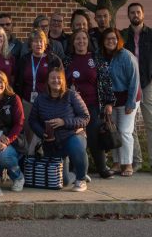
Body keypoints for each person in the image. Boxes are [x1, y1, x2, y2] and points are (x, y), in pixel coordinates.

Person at [63, 29, 115, 179]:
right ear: (73, 42)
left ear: (88, 41)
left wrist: (108, 103)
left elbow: (106, 82)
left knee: (94, 137)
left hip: (93, 105)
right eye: (77, 39)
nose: (81, 42)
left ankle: (102, 167)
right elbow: (62, 83)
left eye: (84, 39)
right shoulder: (67, 60)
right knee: (74, 136)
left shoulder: (96, 59)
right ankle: (75, 168)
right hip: (74, 107)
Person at [29, 68, 90, 192]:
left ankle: (81, 179)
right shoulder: (40, 99)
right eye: (53, 78)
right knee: (63, 181)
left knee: (76, 146)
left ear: (63, 81)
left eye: (59, 78)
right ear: (48, 80)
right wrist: (43, 133)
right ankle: (76, 172)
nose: (56, 80)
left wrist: (64, 122)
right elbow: (32, 121)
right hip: (51, 143)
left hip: (72, 136)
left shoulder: (72, 95)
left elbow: (85, 117)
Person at [101, 28, 140, 177]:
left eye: (113, 38)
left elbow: (134, 81)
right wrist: (106, 102)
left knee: (124, 131)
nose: (111, 41)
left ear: (118, 40)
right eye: (107, 39)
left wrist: (130, 103)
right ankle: (116, 163)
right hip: (111, 101)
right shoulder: (103, 57)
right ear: (103, 42)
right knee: (113, 132)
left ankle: (127, 164)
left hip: (128, 98)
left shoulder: (126, 56)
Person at [120, 2, 152, 173]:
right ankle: (135, 160)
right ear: (129, 15)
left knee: (150, 122)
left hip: (148, 82)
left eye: (138, 12)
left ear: (143, 14)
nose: (135, 15)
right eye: (132, 12)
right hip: (130, 83)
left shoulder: (151, 35)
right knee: (129, 125)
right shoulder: (123, 35)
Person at [0, 70, 25, 191]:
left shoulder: (13, 99)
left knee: (3, 155)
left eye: (2, 82)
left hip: (14, 141)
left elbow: (19, 124)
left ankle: (18, 177)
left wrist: (6, 141)